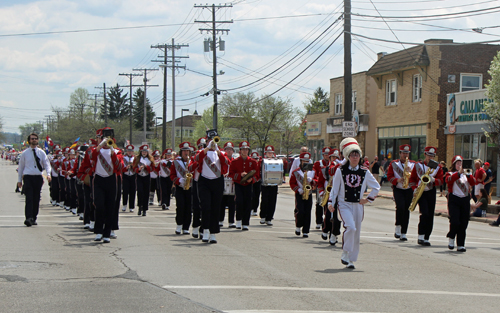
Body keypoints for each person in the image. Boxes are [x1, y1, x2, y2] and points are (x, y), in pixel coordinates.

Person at [328, 138, 380, 269]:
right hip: (344, 203)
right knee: (350, 227)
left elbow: (376, 187)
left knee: (356, 233)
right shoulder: (341, 170)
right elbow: (335, 189)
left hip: (358, 205)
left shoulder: (364, 172)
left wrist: (367, 199)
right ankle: (345, 253)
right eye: (352, 154)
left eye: (357, 154)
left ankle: (351, 259)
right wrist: (331, 203)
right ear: (348, 156)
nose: (355, 157)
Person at [194, 138, 229, 243]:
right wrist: (207, 148)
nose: (213, 143)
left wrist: (217, 150)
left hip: (217, 181)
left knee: (215, 207)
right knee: (205, 206)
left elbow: (226, 162)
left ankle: (213, 233)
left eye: (214, 141)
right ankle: (205, 230)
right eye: (210, 141)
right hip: (204, 181)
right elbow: (197, 159)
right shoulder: (202, 152)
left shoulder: (221, 153)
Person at [91, 130, 123, 243]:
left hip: (111, 179)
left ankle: (107, 233)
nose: (105, 141)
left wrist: (111, 149)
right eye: (103, 138)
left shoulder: (117, 151)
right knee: (99, 205)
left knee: (110, 206)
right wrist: (100, 145)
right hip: (99, 179)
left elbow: (118, 165)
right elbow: (92, 156)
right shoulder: (96, 150)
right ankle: (99, 231)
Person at [409, 146, 444, 246]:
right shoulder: (418, 165)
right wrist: (414, 189)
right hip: (421, 191)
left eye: (432, 156)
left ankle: (427, 237)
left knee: (430, 215)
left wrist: (433, 180)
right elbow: (412, 179)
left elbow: (441, 181)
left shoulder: (438, 167)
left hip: (430, 191)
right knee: (424, 213)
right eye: (428, 155)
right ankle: (421, 235)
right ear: (425, 155)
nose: (430, 157)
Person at [17, 133, 52, 227]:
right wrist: (19, 180)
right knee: (29, 198)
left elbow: (47, 164)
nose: (34, 140)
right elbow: (21, 167)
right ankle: (28, 218)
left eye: (36, 139)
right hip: (28, 177)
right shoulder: (25, 153)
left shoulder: (41, 152)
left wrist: (48, 174)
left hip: (38, 177)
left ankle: (34, 217)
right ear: (29, 141)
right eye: (32, 139)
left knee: (36, 198)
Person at [445, 156, 476, 252]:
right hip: (454, 199)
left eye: (461, 163)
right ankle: (451, 238)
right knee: (455, 221)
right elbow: (448, 180)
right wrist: (459, 173)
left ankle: (461, 244)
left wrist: (468, 175)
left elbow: (473, 183)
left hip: (465, 199)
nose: (460, 165)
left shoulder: (467, 174)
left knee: (464, 223)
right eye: (458, 163)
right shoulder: (450, 173)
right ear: (454, 165)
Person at [386, 144, 415, 241]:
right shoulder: (394, 164)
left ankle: (404, 232)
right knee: (400, 207)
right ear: (400, 153)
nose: (405, 155)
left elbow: (416, 178)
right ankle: (398, 226)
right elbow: (389, 177)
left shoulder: (413, 164)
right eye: (403, 153)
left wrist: (411, 173)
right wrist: (397, 180)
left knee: (406, 209)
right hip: (398, 189)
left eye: (407, 153)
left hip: (408, 189)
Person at [229, 141, 259, 231]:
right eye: (243, 149)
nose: (245, 151)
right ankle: (238, 220)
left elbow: (257, 175)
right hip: (239, 184)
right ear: (240, 150)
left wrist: (252, 179)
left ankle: (245, 223)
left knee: (248, 203)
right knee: (239, 202)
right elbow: (231, 173)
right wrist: (239, 175)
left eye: (246, 149)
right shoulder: (235, 161)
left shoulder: (253, 162)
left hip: (248, 185)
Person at [289, 151, 317, 238]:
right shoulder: (296, 172)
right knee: (300, 211)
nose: (306, 163)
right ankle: (298, 226)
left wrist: (312, 181)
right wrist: (298, 190)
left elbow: (317, 181)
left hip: (308, 193)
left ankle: (306, 231)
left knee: (308, 211)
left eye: (307, 161)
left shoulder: (312, 171)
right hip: (300, 193)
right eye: (304, 161)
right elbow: (292, 183)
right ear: (301, 161)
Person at [170, 142, 193, 235]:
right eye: (184, 151)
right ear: (181, 152)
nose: (186, 153)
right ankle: (179, 225)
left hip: (190, 187)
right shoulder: (175, 162)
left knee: (189, 208)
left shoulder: (192, 161)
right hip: (180, 187)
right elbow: (172, 175)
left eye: (187, 151)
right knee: (180, 206)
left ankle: (186, 227)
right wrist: (179, 180)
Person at [259, 145, 279, 226]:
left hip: (274, 184)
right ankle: (263, 216)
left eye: (271, 153)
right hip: (265, 183)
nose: (269, 154)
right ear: (265, 153)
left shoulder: (276, 161)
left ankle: (269, 218)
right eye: (268, 152)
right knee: (264, 200)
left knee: (272, 201)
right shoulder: (262, 161)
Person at [133, 145, 155, 216]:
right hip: (140, 176)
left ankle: (144, 209)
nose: (144, 153)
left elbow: (152, 169)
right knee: (140, 192)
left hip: (146, 177)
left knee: (146, 193)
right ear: (141, 152)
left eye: (145, 151)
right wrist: (138, 169)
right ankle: (140, 207)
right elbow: (134, 168)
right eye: (143, 151)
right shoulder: (137, 158)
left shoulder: (150, 159)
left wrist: (146, 167)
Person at [313, 147, 331, 230]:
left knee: (328, 205)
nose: (327, 156)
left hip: (330, 187)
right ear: (323, 155)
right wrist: (317, 181)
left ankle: (326, 222)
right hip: (321, 186)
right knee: (319, 203)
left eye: (328, 155)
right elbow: (315, 174)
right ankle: (319, 221)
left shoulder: (332, 163)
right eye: (326, 155)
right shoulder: (318, 163)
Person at [219, 141, 236, 228]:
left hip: (231, 183)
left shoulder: (235, 161)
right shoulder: (222, 160)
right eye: (227, 149)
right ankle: (220, 220)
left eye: (231, 149)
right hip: (222, 182)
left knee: (232, 204)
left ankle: (231, 221)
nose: (229, 151)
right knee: (222, 203)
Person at [122, 145, 136, 212]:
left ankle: (131, 206)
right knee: (125, 191)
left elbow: (137, 168)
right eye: (128, 151)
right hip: (126, 175)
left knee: (132, 191)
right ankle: (124, 205)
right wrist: (126, 168)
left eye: (131, 151)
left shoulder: (135, 158)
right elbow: (121, 167)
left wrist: (132, 166)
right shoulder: (123, 158)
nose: (130, 152)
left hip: (133, 175)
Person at [250, 151, 262, 217]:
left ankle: (255, 209)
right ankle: (251, 208)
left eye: (256, 158)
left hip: (258, 181)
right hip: (251, 181)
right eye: (254, 158)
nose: (255, 160)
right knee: (251, 196)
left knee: (257, 196)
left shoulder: (259, 164)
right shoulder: (250, 164)